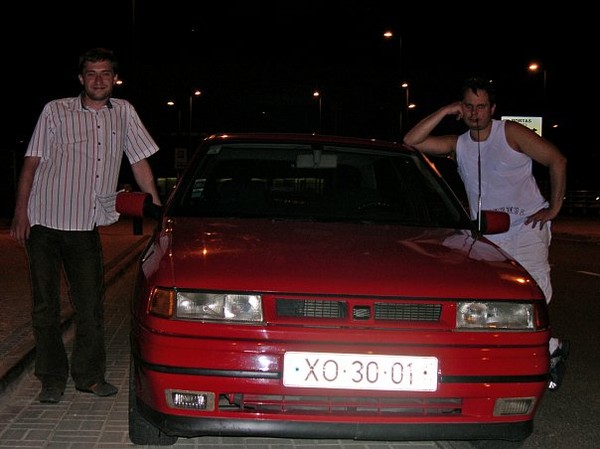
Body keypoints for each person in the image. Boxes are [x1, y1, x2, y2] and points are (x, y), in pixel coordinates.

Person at [10, 47, 162, 404]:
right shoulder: (55, 110)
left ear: (115, 78)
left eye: (105, 73)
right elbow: (31, 162)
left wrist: (157, 210)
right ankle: (51, 379)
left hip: (84, 225)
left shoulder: (124, 112)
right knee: (45, 308)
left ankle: (89, 377)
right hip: (44, 222)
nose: (98, 80)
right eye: (91, 73)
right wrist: (20, 212)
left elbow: (139, 162)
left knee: (91, 306)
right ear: (81, 78)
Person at [403, 76, 570, 390]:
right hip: (488, 232)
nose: (474, 113)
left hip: (526, 227)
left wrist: (554, 208)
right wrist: (445, 110)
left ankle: (542, 353)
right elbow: (412, 141)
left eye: (481, 107)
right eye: (468, 106)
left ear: (492, 109)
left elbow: (556, 159)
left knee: (534, 294)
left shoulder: (510, 133)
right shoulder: (459, 145)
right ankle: (548, 348)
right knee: (490, 297)